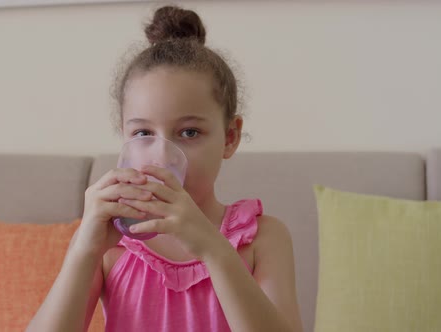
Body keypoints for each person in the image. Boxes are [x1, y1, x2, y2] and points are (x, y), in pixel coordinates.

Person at [26, 5, 302, 332]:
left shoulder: (262, 238)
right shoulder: (111, 245)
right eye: (143, 133)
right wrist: (85, 249)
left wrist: (213, 249)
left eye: (189, 133)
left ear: (230, 137)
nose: (162, 156)